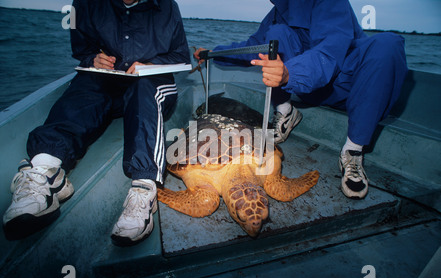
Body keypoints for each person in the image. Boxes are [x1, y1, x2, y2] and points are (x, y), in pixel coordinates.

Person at [3, 0, 191, 246]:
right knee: (85, 85)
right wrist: (94, 58)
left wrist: (151, 65)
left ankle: (144, 189)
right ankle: (44, 171)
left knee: (145, 89)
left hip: (151, 83)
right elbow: (81, 50)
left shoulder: (167, 6)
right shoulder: (84, 3)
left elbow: (181, 55)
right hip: (108, 82)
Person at [194, 0, 407, 199]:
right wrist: (213, 53)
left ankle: (353, 149)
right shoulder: (278, 12)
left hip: (350, 85)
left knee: (387, 44)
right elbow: (253, 47)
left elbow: (330, 51)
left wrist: (289, 74)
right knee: (275, 34)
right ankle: (286, 112)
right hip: (308, 87)